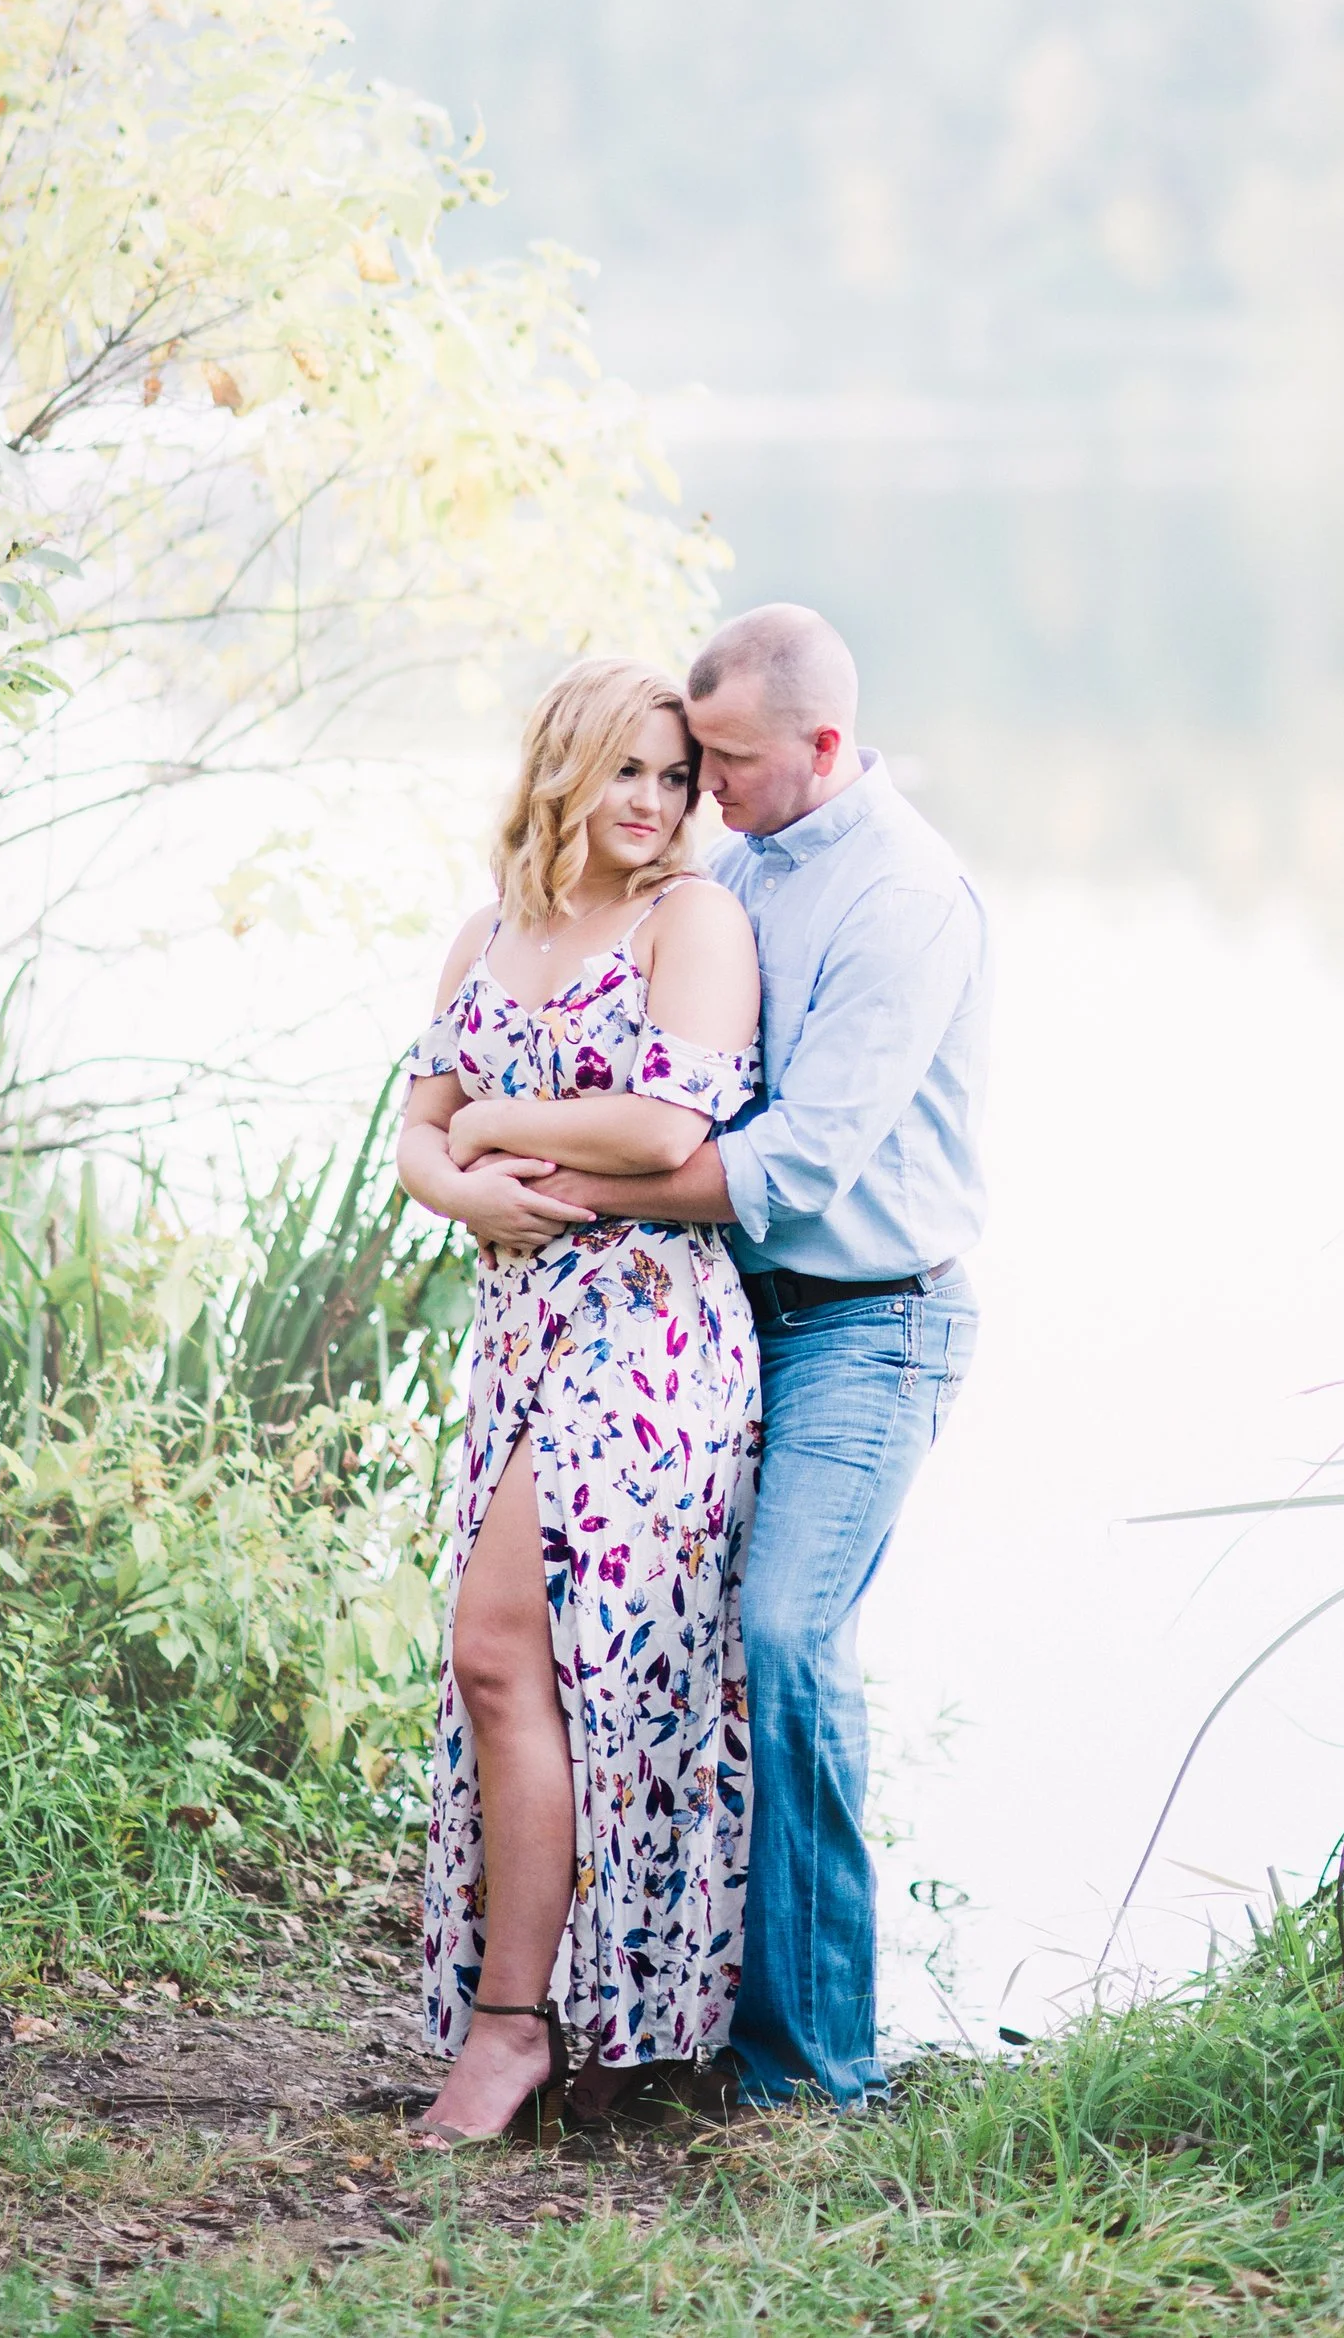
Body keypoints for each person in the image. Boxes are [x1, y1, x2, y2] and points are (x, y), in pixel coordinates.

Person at [523, 602, 988, 2107]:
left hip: (870, 1319)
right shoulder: (734, 868)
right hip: (724, 1315)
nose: (702, 786)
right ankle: (661, 2019)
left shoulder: (906, 899)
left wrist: (575, 1185)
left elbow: (794, 1160)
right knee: (662, 1647)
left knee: (786, 1633)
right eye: (691, 757)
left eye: (727, 759)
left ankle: (814, 2071)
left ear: (826, 746)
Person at [394, 656, 764, 2145]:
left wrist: (495, 1123)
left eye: (679, 777)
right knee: (537, 1676)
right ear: (564, 767)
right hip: (520, 1331)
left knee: (502, 1648)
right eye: (632, 771)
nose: (660, 803)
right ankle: (578, 2013)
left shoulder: (696, 918)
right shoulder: (490, 933)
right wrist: (456, 1165)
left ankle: (512, 2030)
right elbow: (415, 1134)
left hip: (653, 1330)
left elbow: (665, 1119)